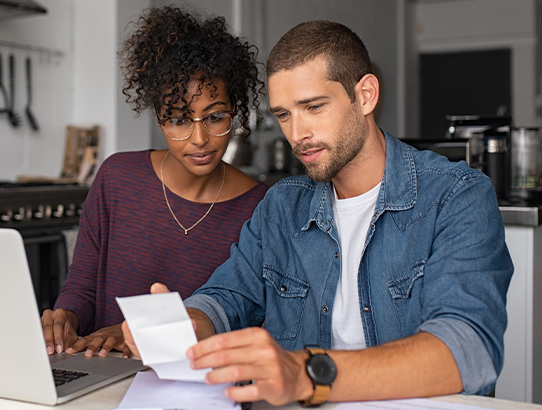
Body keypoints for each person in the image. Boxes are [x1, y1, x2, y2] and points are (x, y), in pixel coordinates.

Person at [123, 20, 513, 406]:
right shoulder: (281, 207)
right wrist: (187, 324)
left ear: (365, 96)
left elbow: (469, 349)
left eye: (313, 107)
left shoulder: (456, 195)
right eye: (284, 114)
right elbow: (227, 296)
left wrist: (308, 374)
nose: (296, 133)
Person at [41, 6, 268, 360]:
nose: (199, 138)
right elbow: (82, 290)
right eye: (178, 119)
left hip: (196, 386)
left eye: (215, 117)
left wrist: (137, 334)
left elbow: (244, 320)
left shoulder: (260, 207)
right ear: (159, 121)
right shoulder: (116, 178)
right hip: (102, 372)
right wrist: (65, 318)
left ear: (235, 113)